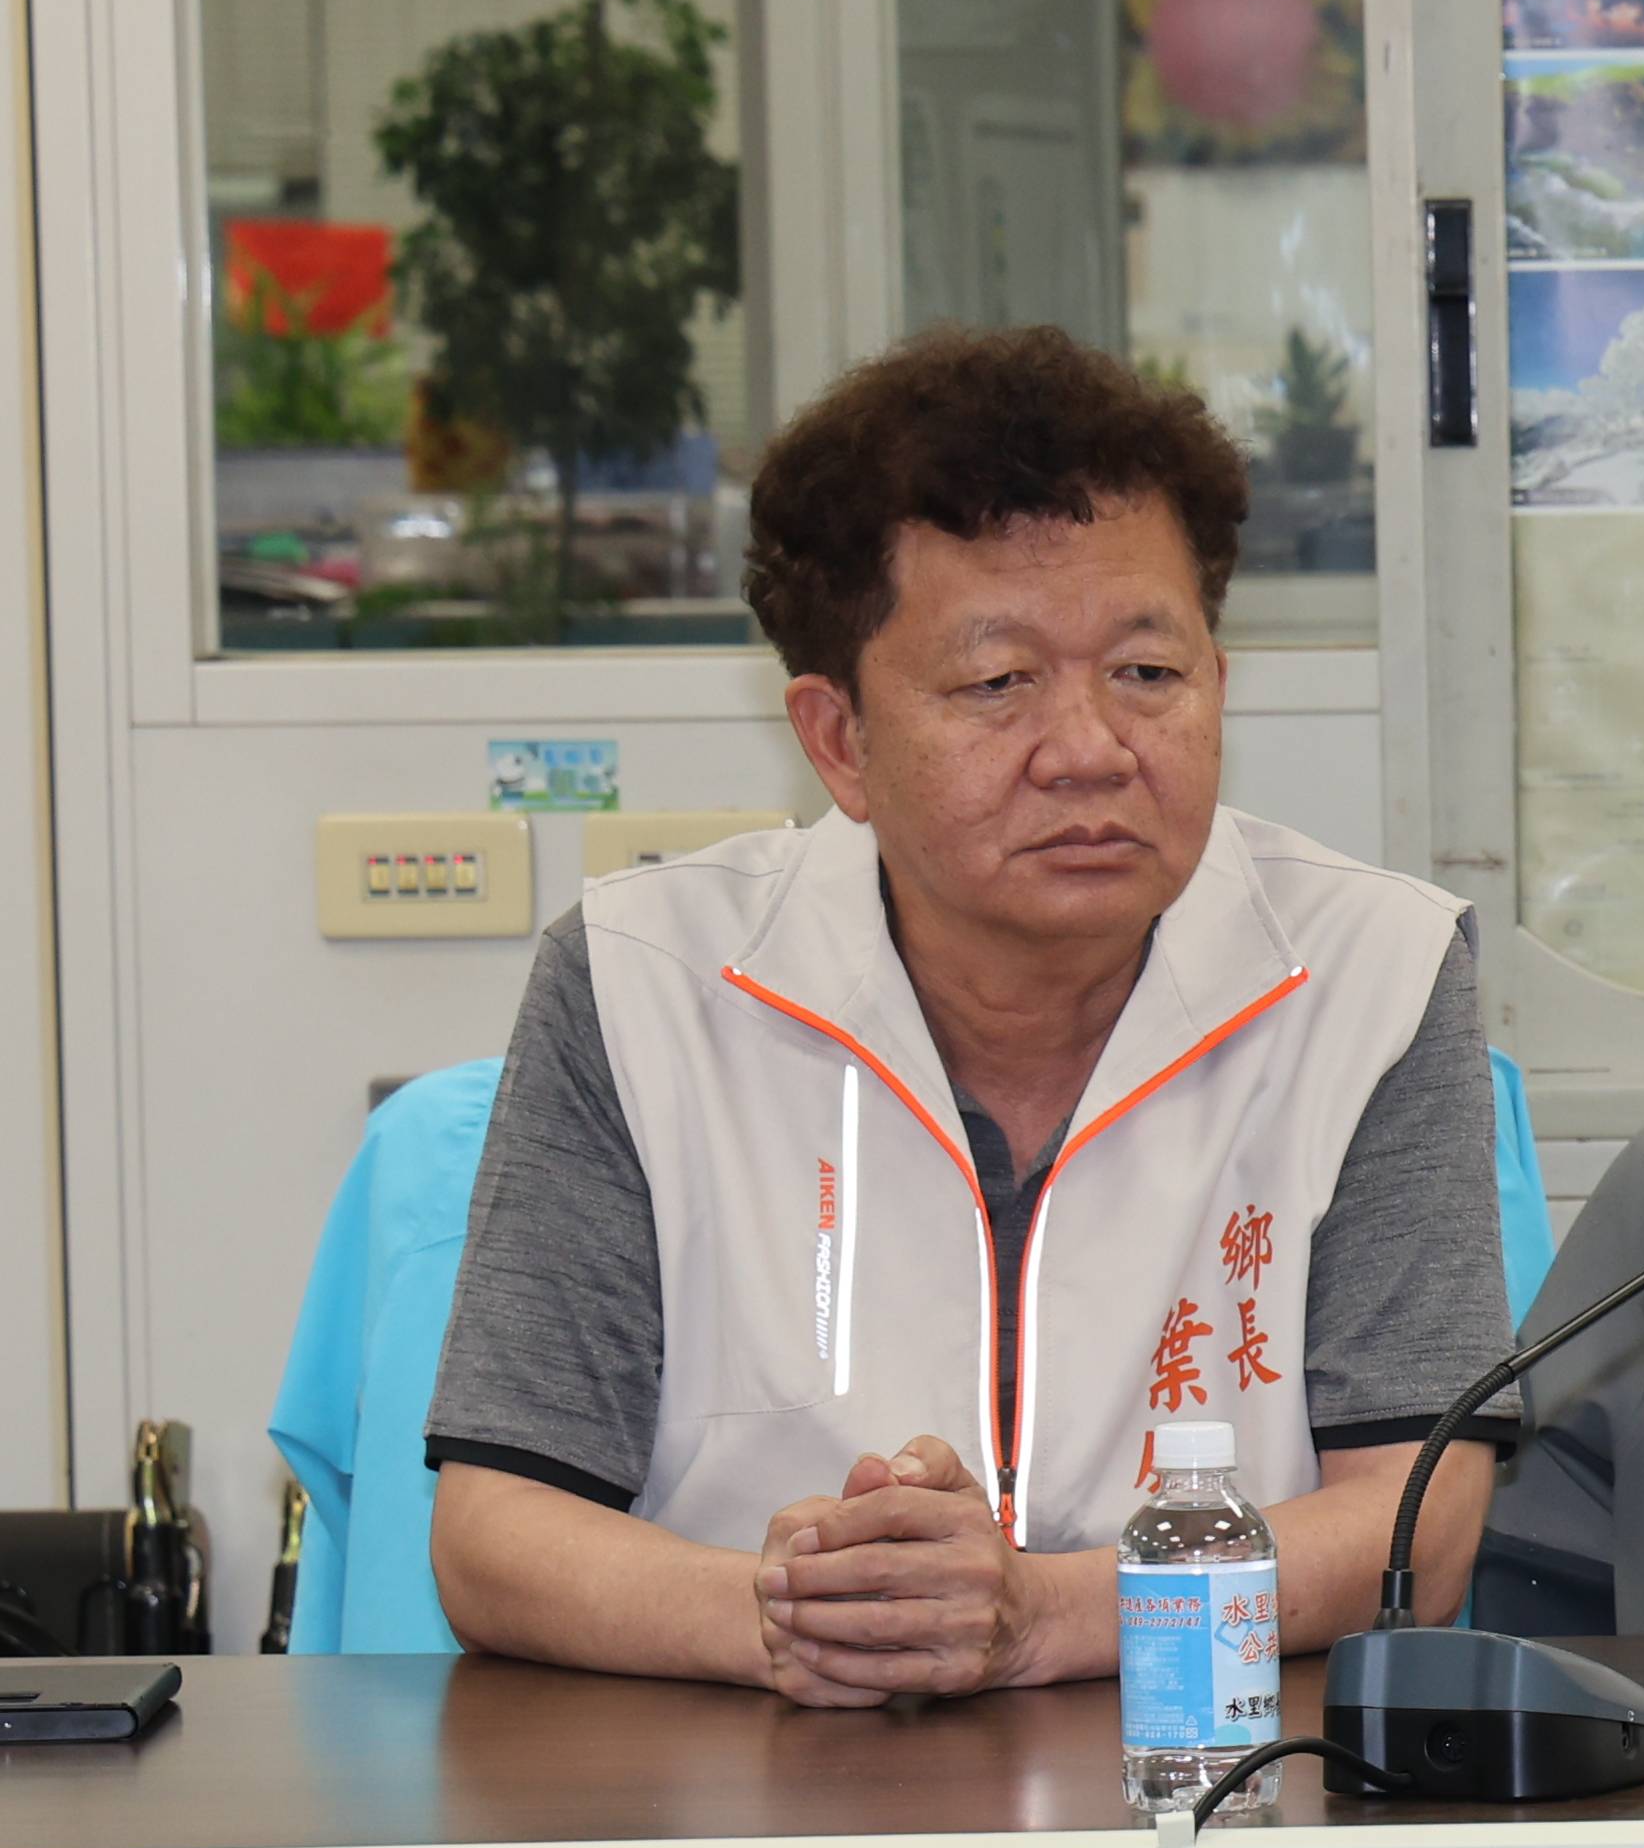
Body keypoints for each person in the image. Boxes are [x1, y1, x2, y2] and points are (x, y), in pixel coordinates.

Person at [426, 327, 1511, 1700]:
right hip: (745, 1773)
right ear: (839, 741)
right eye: (999, 685)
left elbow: (1419, 1521)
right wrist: (801, 1615)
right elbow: (495, 1535)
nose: (1092, 751)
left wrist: (1042, 1616)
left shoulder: (1375, 975)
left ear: (1219, 687)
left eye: (1149, 675)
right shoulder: (644, 982)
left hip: (1210, 1772)